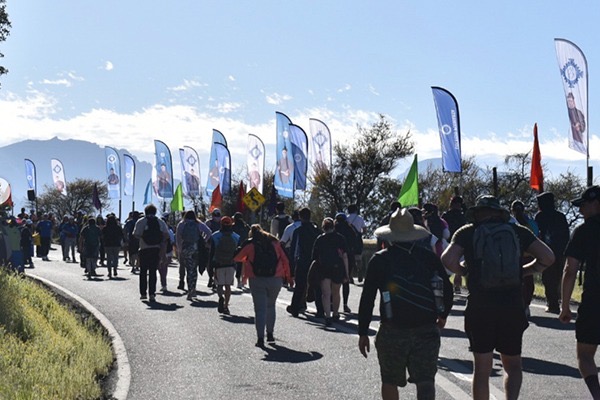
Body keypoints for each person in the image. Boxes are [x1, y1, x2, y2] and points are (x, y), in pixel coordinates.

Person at [441, 195, 554, 400]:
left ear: (477, 213)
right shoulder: (519, 232)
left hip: (480, 306)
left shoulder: (467, 232)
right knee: (512, 365)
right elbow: (548, 257)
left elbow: (447, 259)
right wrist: (524, 271)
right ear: (500, 213)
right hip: (511, 305)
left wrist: (465, 272)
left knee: (482, 368)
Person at [358, 208, 453, 400]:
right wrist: (443, 315)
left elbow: (367, 297)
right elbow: (447, 288)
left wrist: (363, 332)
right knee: (426, 381)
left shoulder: (381, 259)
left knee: (390, 381)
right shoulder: (428, 257)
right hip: (426, 328)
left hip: (392, 330)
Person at [559, 185, 600, 399]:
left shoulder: (583, 231)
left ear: (596, 204)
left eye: (584, 205)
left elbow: (570, 269)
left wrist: (565, 306)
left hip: (594, 300)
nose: (581, 210)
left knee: (584, 355)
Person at [234, 224, 292, 347]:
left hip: (257, 279)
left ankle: (260, 338)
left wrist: (246, 257)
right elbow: (285, 260)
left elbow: (237, 257)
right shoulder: (275, 243)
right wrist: (288, 277)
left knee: (260, 309)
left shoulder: (250, 244)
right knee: (271, 306)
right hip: (275, 278)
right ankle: (270, 334)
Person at [535, 191, 570, 313]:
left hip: (546, 251)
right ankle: (555, 302)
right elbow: (566, 235)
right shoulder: (560, 216)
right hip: (560, 251)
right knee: (556, 277)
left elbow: (536, 235)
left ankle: (553, 303)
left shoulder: (540, 216)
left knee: (548, 278)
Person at [287, 207, 322, 318]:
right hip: (315, 262)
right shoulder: (317, 231)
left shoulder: (298, 231)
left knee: (300, 285)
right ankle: (320, 310)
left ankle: (295, 307)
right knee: (316, 286)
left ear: (300, 217)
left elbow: (294, 249)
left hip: (302, 261)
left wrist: (292, 264)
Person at [314, 217, 349, 326]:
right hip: (337, 267)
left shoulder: (319, 239)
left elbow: (315, 257)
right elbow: (345, 256)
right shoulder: (340, 238)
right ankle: (335, 313)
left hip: (324, 268)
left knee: (326, 293)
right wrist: (346, 273)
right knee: (336, 292)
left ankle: (327, 316)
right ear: (333, 227)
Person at [133, 204, 169, 302]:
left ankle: (143, 293)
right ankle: (152, 293)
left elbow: (136, 234)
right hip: (155, 249)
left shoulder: (141, 221)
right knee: (153, 272)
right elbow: (166, 235)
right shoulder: (159, 221)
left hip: (144, 249)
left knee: (143, 271)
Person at [510, 200, 539, 317]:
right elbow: (536, 236)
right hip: (529, 255)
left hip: (515, 256)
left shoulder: (510, 222)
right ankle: (526, 304)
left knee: (517, 281)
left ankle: (520, 304)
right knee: (528, 281)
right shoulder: (531, 223)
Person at [210, 216, 240, 314]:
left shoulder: (215, 236)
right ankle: (226, 305)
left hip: (219, 264)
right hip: (231, 264)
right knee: (228, 286)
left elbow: (211, 251)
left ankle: (220, 297)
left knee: (219, 284)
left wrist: (210, 264)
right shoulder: (236, 236)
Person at [176, 211, 207, 300]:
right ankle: (194, 289)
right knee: (194, 269)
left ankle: (190, 290)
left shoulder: (181, 224)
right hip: (196, 248)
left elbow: (178, 238)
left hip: (186, 248)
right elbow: (208, 232)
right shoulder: (198, 223)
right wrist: (203, 240)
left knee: (188, 269)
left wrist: (179, 250)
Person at [442, 196, 467, 293]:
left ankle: (453, 285)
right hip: (455, 242)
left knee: (450, 264)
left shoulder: (448, 215)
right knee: (454, 264)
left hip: (452, 241)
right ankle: (455, 285)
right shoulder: (461, 215)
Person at [333, 213, 356, 313]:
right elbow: (356, 240)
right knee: (345, 281)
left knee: (333, 281)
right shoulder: (350, 229)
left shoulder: (334, 229)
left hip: (335, 258)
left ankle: (332, 302)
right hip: (349, 257)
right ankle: (345, 305)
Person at [347, 204, 367, 282]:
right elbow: (364, 230)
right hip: (358, 240)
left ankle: (350, 276)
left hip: (349, 241)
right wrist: (360, 234)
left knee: (350, 259)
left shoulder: (347, 219)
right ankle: (360, 271)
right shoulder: (360, 218)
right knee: (358, 258)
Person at [232, 212, 250, 289]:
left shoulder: (232, 227)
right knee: (244, 264)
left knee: (237, 264)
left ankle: (238, 280)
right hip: (246, 246)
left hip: (235, 246)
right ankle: (243, 280)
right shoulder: (246, 227)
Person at [102, 214, 123, 279]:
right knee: (115, 258)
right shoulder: (118, 228)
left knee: (109, 258)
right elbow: (121, 235)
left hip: (108, 244)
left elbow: (102, 236)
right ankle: (115, 269)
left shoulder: (105, 228)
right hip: (116, 244)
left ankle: (109, 272)